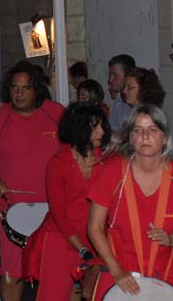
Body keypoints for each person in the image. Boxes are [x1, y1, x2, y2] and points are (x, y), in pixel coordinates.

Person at [87, 105, 173, 300]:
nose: (145, 136)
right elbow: (94, 227)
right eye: (138, 130)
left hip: (167, 272)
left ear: (164, 137)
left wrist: (171, 239)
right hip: (118, 269)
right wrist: (116, 270)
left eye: (152, 130)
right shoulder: (112, 173)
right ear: (130, 137)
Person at [0, 61, 65, 301]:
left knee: (55, 273)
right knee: (11, 274)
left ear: (37, 89)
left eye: (26, 88)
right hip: (12, 212)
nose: (19, 93)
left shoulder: (55, 113)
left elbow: (74, 152)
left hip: (54, 213)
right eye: (14, 88)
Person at [23, 103, 110, 301]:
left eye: (102, 126)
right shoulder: (58, 163)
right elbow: (59, 214)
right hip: (62, 235)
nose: (101, 132)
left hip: (96, 234)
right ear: (79, 129)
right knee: (53, 295)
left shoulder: (107, 161)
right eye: (95, 127)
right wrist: (82, 249)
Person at [107, 54, 135, 132]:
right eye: (109, 75)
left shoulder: (134, 102)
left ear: (127, 76)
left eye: (115, 75)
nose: (110, 80)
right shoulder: (119, 100)